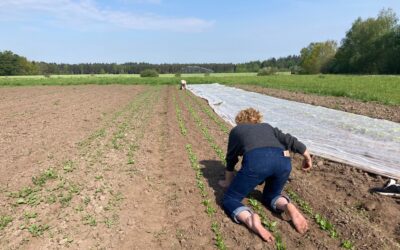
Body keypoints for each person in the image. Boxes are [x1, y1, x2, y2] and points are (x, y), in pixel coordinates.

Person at [218, 108, 313, 242]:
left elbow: (231, 156)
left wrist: (228, 180)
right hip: (283, 162)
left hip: (257, 163)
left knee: (230, 199)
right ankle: (286, 206)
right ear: (257, 119)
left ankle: (249, 219)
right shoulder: (267, 127)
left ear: (239, 121)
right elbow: (289, 139)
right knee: (271, 195)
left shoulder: (237, 130)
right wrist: (307, 156)